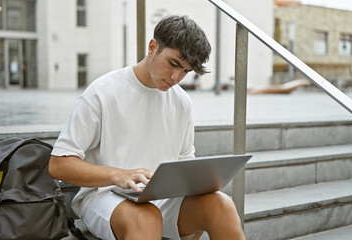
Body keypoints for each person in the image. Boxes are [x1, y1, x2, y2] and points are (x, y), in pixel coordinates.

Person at [48, 15, 245, 240]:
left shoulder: (181, 101)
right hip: (105, 196)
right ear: (153, 47)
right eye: (173, 64)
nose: (176, 77)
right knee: (146, 217)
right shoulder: (102, 92)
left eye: (186, 71)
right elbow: (58, 164)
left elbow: (184, 161)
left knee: (221, 205)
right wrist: (119, 175)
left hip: (162, 196)